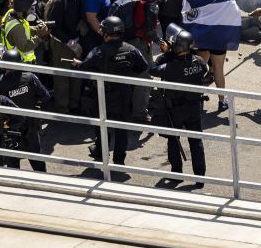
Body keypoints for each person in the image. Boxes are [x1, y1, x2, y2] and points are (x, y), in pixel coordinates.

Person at [77, 15, 149, 176]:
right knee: (122, 129)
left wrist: (78, 64)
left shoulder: (98, 51)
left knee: (102, 127)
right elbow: (143, 66)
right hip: (124, 94)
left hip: (103, 95)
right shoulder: (131, 49)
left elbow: (84, 69)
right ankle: (119, 160)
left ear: (106, 33)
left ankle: (103, 157)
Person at [151, 28, 210, 185]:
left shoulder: (171, 67)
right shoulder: (200, 62)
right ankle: (200, 177)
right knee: (196, 141)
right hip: (194, 106)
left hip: (174, 109)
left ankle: (176, 174)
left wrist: (166, 54)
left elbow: (153, 69)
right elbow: (203, 69)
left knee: (173, 140)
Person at [0, 49, 52, 172]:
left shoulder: (0, 84)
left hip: (11, 127)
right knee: (36, 158)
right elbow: (46, 97)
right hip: (31, 124)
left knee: (13, 161)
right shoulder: (30, 78)